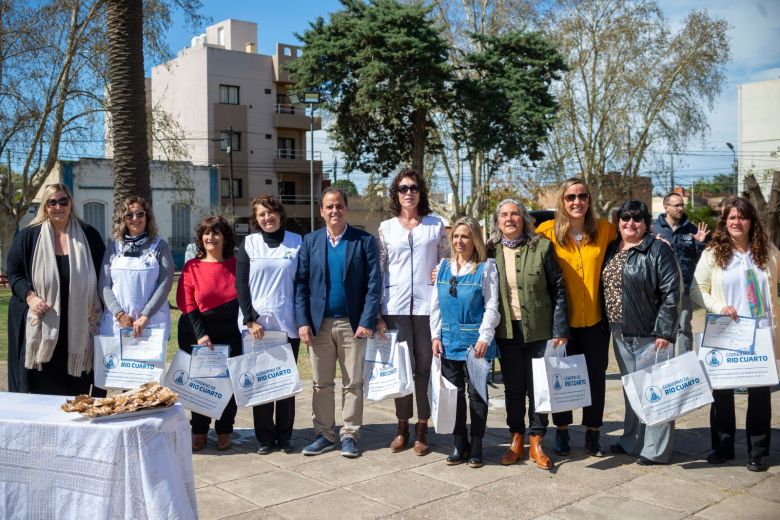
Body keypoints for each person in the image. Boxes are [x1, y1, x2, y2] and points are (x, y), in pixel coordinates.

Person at [691, 196, 779, 472]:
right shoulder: (712, 254)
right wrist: (719, 306)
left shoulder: (770, 252)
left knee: (760, 394)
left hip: (760, 332)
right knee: (722, 393)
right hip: (726, 330)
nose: (736, 222)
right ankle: (722, 446)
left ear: (751, 221)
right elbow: (696, 289)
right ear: (724, 222)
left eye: (742, 217)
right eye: (731, 217)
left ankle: (758, 451)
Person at [294, 187, 382, 458]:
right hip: (319, 325)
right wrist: (303, 321)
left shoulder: (364, 241)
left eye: (339, 206)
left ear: (346, 209)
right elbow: (301, 285)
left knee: (353, 383)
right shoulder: (310, 242)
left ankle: (350, 435)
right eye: (329, 206)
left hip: (352, 324)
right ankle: (324, 434)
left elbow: (373, 284)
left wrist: (367, 320)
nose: (334, 211)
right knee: (321, 384)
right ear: (321, 211)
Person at [535, 178, 617, 457]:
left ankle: (593, 432)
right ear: (562, 201)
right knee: (562, 376)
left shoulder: (605, 230)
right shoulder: (547, 232)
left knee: (596, 377)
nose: (577, 201)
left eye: (582, 196)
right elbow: (512, 240)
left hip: (595, 322)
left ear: (589, 200)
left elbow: (634, 239)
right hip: (562, 324)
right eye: (570, 197)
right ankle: (562, 430)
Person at [488, 200, 568, 469]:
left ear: (523, 219)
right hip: (507, 331)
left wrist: (559, 330)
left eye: (514, 214)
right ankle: (516, 438)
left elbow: (558, 290)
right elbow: (463, 264)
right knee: (513, 388)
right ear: (498, 221)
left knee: (539, 389)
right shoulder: (490, 251)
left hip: (540, 331)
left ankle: (536, 440)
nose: (509, 219)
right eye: (504, 215)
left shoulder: (542, 247)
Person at [6, 183, 105, 395]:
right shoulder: (28, 237)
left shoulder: (89, 236)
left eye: (63, 201)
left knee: (77, 400)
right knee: (47, 400)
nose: (58, 206)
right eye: (52, 202)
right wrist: (30, 297)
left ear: (70, 203)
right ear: (45, 206)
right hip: (45, 333)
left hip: (79, 333)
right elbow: (13, 274)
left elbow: (105, 276)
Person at [375, 169, 448, 455]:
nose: (409, 192)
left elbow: (448, 261)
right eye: (403, 188)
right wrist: (378, 313)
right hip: (394, 307)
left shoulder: (435, 225)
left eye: (414, 188)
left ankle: (422, 428)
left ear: (421, 192)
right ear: (396, 194)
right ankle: (401, 427)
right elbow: (379, 271)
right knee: (401, 370)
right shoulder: (385, 228)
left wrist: (440, 269)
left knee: (424, 369)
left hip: (427, 308)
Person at [603, 200, 682, 465]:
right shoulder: (612, 249)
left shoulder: (658, 249)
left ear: (646, 223)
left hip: (650, 334)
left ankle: (656, 449)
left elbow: (671, 292)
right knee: (632, 391)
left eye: (636, 219)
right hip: (619, 332)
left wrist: (665, 331)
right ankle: (632, 440)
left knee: (655, 390)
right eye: (625, 218)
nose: (630, 224)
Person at [431, 216, 500, 468]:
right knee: (454, 394)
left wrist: (484, 337)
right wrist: (435, 336)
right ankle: (459, 441)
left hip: (476, 342)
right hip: (448, 339)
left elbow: (492, 306)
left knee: (477, 395)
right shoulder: (443, 267)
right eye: (456, 236)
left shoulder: (486, 267)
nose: (460, 241)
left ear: (475, 240)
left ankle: (478, 443)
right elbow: (436, 306)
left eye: (466, 236)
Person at [236, 195, 302, 455]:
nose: (267, 217)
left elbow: (302, 283)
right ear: (256, 218)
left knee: (286, 383)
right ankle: (264, 437)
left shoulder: (297, 242)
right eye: (261, 214)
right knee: (261, 381)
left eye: (271, 212)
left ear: (280, 214)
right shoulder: (249, 244)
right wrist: (250, 319)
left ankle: (285, 436)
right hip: (258, 327)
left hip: (287, 324)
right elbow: (241, 284)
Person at [177, 216, 241, 452]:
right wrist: (201, 335)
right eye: (206, 233)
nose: (210, 238)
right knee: (200, 383)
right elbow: (187, 302)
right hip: (197, 332)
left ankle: (225, 429)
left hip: (229, 332)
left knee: (228, 384)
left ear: (225, 237)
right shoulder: (191, 266)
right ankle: (199, 430)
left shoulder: (237, 265)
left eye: (216, 233)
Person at [99, 196, 174, 340]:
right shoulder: (113, 247)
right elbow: (104, 285)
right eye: (129, 215)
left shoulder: (160, 246)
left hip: (151, 324)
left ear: (147, 217)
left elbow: (166, 283)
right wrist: (120, 315)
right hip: (118, 324)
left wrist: (146, 315)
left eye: (140, 214)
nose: (135, 218)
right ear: (123, 219)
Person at [653, 192, 709, 354]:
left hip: (683, 288)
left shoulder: (691, 229)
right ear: (666, 207)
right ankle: (664, 364)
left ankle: (685, 365)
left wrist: (700, 243)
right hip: (660, 290)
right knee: (663, 329)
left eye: (681, 205)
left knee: (684, 328)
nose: (680, 208)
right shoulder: (654, 228)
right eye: (676, 205)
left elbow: (701, 260)